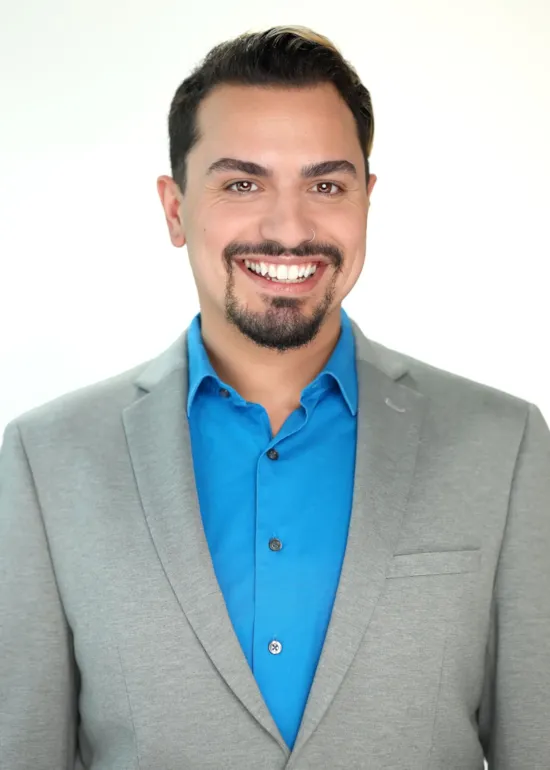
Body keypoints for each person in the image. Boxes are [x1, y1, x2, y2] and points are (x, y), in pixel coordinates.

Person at [0, 24, 549, 770]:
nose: (289, 229)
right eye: (241, 184)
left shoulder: (504, 445)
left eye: (326, 185)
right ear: (174, 208)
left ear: (366, 200)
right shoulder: (46, 461)